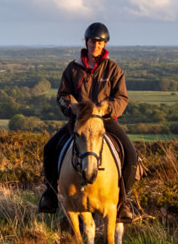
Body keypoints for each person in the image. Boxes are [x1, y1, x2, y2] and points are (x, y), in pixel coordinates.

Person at [38, 22, 141, 221]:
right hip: (79, 122)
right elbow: (62, 94)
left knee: (131, 154)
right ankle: (50, 193)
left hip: (105, 121)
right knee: (50, 148)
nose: (96, 45)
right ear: (87, 42)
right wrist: (71, 107)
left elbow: (122, 98)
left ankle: (124, 200)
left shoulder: (113, 70)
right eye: (93, 41)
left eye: (100, 42)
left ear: (104, 45)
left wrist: (106, 108)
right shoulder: (73, 69)